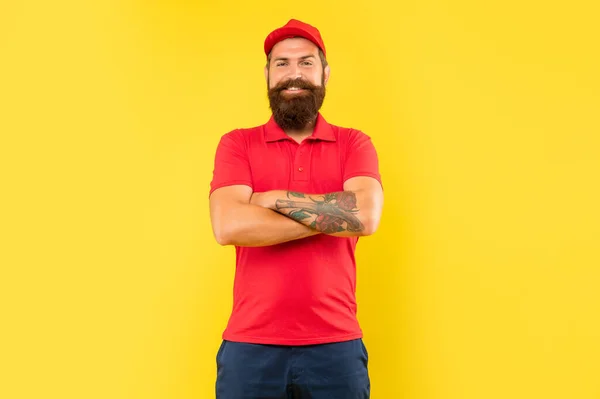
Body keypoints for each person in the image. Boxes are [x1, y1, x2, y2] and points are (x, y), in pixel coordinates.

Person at [208, 18, 384, 399]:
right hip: (249, 347)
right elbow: (227, 226)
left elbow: (366, 216)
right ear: (268, 74)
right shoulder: (237, 144)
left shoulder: (354, 144)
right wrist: (334, 214)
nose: (294, 74)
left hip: (336, 345)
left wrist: (270, 200)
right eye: (282, 63)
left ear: (325, 73)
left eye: (306, 63)